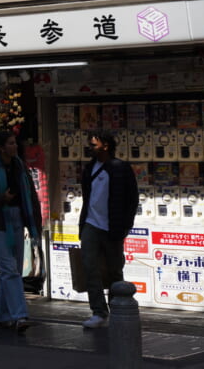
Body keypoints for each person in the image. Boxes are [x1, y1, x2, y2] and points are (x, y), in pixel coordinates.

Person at [0, 129, 42, 332]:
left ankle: (4, 315)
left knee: (11, 270)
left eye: (15, 143)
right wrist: (0, 199)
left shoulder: (20, 166)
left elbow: (30, 196)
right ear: (1, 147)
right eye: (11, 143)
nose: (15, 147)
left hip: (17, 219)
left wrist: (34, 224)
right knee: (10, 269)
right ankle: (20, 314)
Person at [79, 128, 138, 329]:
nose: (90, 147)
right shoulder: (89, 169)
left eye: (93, 144)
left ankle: (117, 308)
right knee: (89, 267)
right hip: (91, 224)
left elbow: (132, 199)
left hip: (113, 226)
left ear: (105, 146)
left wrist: (125, 226)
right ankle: (98, 311)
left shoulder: (120, 168)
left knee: (115, 270)